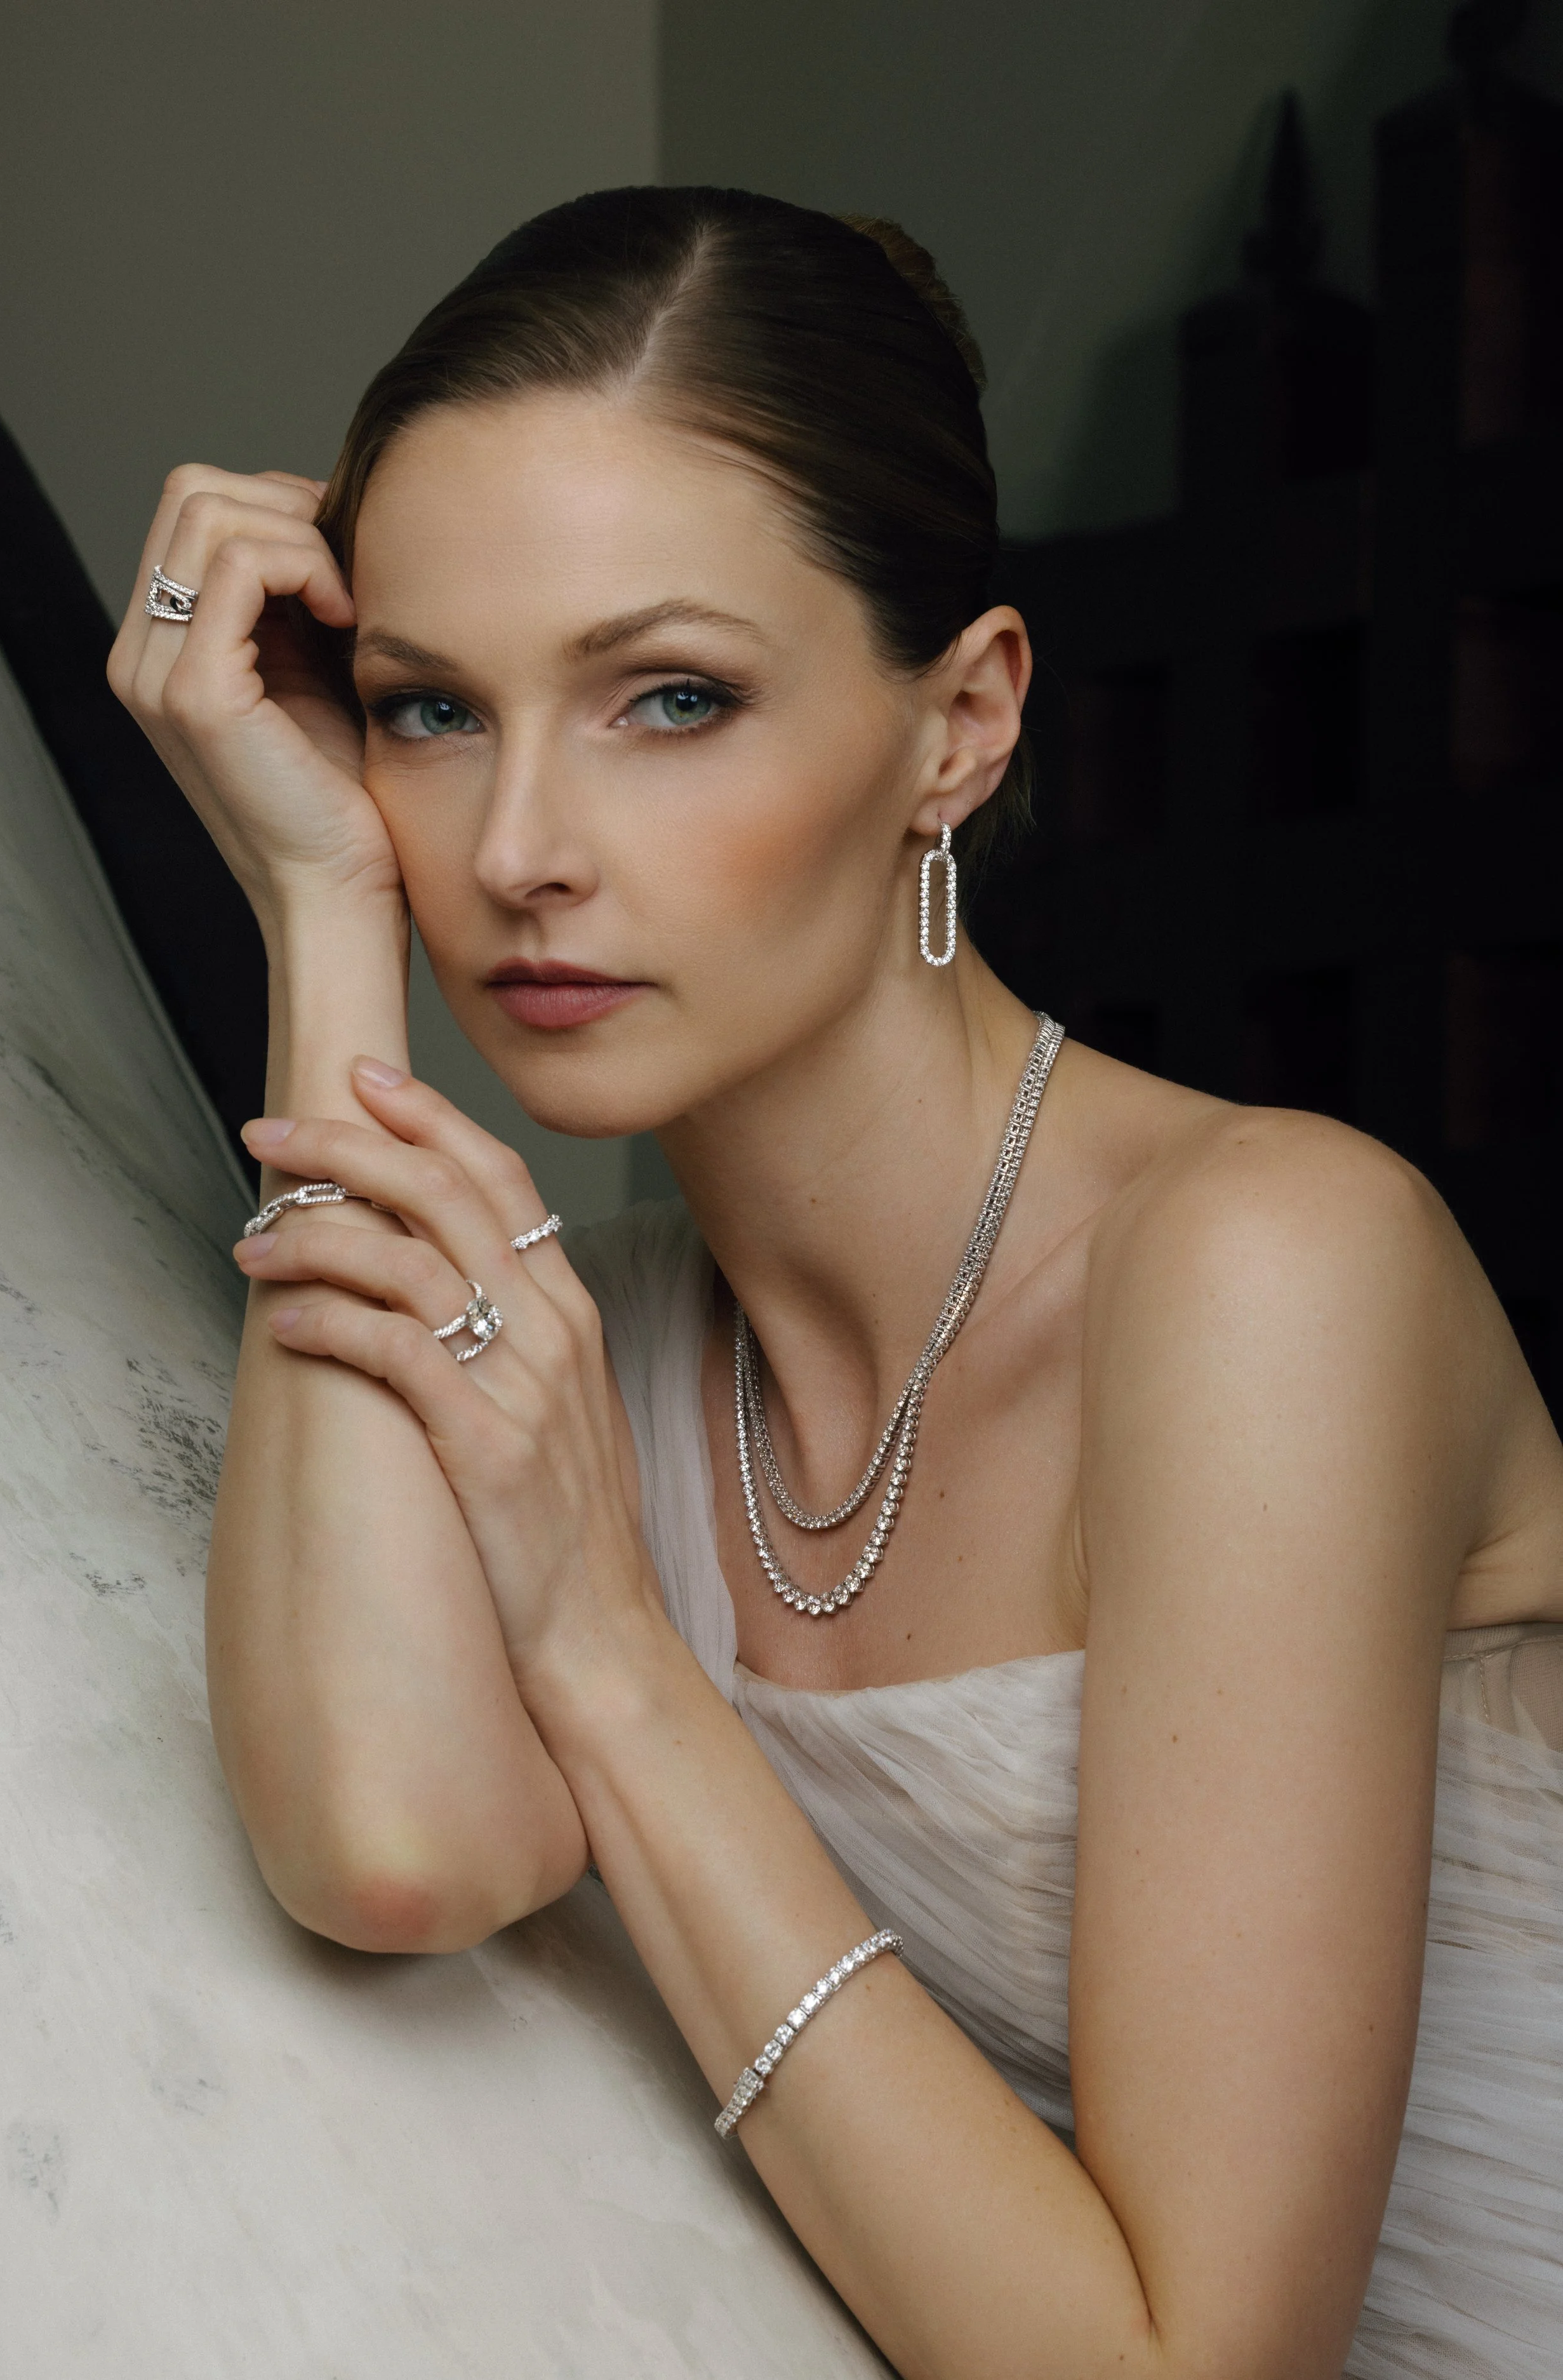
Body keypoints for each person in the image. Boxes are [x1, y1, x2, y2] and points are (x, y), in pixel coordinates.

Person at [109, 187, 1562, 2378]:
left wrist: (606, 1642)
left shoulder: (1268, 1267)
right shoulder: (577, 1326)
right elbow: (393, 1849)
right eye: (427, 711)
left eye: (669, 696)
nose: (515, 851)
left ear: (959, 720)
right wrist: (318, 915)